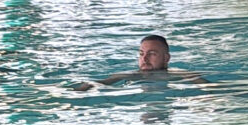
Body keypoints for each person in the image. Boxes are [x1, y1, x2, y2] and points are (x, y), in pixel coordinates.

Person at [75, 34, 205, 89]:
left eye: (152, 54)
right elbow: (99, 83)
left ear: (166, 58)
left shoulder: (180, 75)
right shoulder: (129, 75)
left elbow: (210, 88)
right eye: (141, 54)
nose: (144, 59)